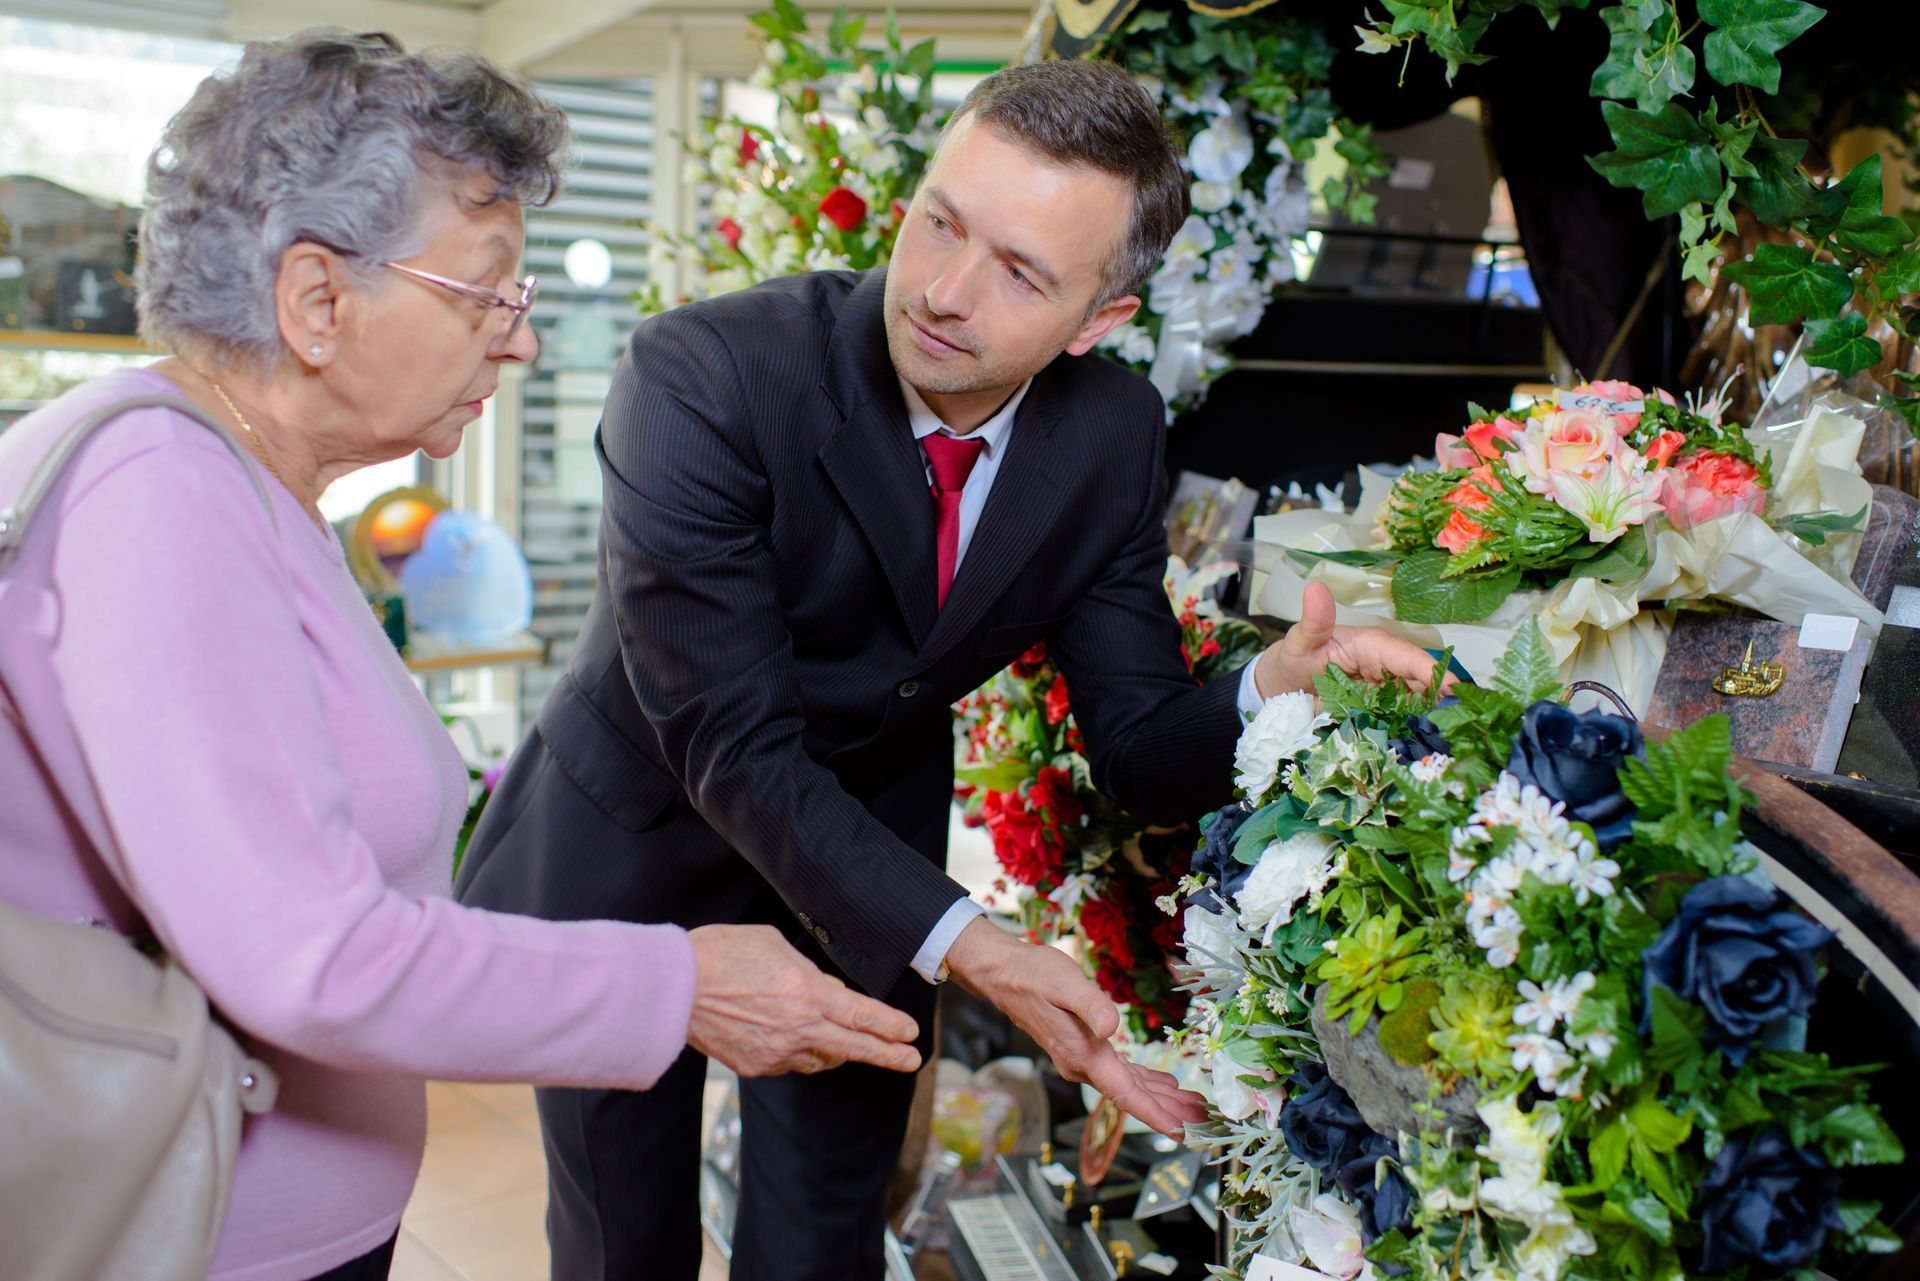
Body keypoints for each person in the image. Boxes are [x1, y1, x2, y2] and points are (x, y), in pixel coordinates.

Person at [455, 59, 1445, 1281]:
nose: (941, 291)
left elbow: (1138, 746)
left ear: (1099, 322)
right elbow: (735, 747)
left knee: (825, 1231)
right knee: (624, 1238)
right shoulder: (704, 375)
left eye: (1022, 273)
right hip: (642, 835)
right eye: (939, 222)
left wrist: (1268, 691)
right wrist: (982, 947)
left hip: (868, 850)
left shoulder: (1111, 434)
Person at [0, 28, 920, 1281]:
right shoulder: (160, 491)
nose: (521, 341)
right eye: (488, 293)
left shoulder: (245, 485)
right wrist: (679, 987)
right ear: (318, 300)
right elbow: (309, 954)